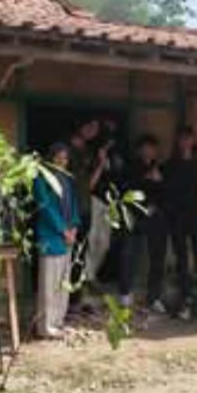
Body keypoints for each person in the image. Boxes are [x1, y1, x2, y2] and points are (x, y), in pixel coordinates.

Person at [163, 125, 197, 320]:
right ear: (177, 142)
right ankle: (184, 299)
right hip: (177, 219)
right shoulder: (170, 164)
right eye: (182, 139)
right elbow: (164, 191)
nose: (185, 143)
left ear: (193, 140)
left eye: (188, 139)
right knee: (181, 259)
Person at [33, 142, 81, 339]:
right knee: (49, 283)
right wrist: (63, 230)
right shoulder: (41, 179)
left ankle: (58, 321)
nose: (62, 161)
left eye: (65, 158)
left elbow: (74, 206)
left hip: (67, 237)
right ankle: (45, 327)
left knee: (63, 282)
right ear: (50, 158)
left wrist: (74, 227)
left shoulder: (67, 180)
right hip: (51, 236)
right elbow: (45, 207)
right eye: (58, 157)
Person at [118, 134, 168, 313]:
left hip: (156, 220)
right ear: (139, 150)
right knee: (129, 255)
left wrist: (160, 182)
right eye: (145, 148)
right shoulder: (130, 167)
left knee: (157, 258)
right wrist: (147, 178)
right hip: (134, 218)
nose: (149, 152)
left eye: (152, 149)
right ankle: (125, 294)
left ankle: (154, 297)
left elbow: (168, 194)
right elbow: (124, 190)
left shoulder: (161, 168)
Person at [85, 117, 126, 286]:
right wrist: (100, 161)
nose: (110, 136)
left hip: (111, 201)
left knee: (105, 243)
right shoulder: (92, 150)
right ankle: (88, 277)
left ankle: (92, 273)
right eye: (107, 130)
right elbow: (87, 178)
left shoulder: (118, 152)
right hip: (94, 198)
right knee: (92, 238)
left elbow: (119, 174)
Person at [68, 118, 99, 297]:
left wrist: (100, 164)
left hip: (84, 208)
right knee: (69, 255)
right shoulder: (67, 151)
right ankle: (69, 299)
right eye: (89, 126)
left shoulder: (87, 152)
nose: (92, 132)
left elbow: (89, 185)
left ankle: (76, 297)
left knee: (80, 252)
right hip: (71, 210)